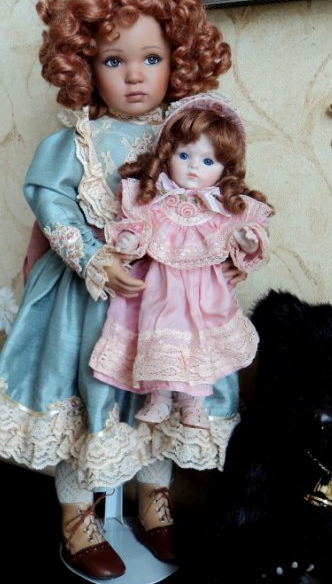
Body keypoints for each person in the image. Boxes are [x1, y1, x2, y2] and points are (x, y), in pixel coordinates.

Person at [0, 0, 233, 579]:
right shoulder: (77, 143)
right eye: (114, 61)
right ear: (84, 65)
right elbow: (50, 202)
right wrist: (90, 255)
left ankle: (156, 503)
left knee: (161, 398)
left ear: (178, 60)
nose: (135, 76)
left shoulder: (188, 137)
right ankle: (78, 517)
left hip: (169, 304)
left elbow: (216, 197)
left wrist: (228, 246)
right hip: (91, 303)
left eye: (151, 59)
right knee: (90, 402)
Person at [89, 93, 273, 430]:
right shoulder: (155, 199)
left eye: (208, 161)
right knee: (159, 334)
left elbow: (252, 236)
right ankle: (157, 398)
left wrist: (247, 242)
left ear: (225, 168)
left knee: (199, 342)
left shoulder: (224, 207)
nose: (193, 167)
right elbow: (137, 227)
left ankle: (194, 404)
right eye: (184, 155)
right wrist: (129, 240)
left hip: (206, 295)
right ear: (167, 154)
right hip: (161, 290)